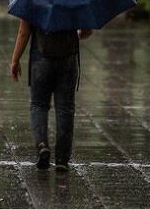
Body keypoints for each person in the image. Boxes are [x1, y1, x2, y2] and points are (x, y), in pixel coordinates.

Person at [9, 19, 92, 171]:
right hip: (68, 59)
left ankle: (42, 145)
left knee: (38, 105)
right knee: (65, 109)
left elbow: (23, 32)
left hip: (41, 58)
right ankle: (61, 159)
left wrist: (15, 60)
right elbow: (87, 31)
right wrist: (74, 35)